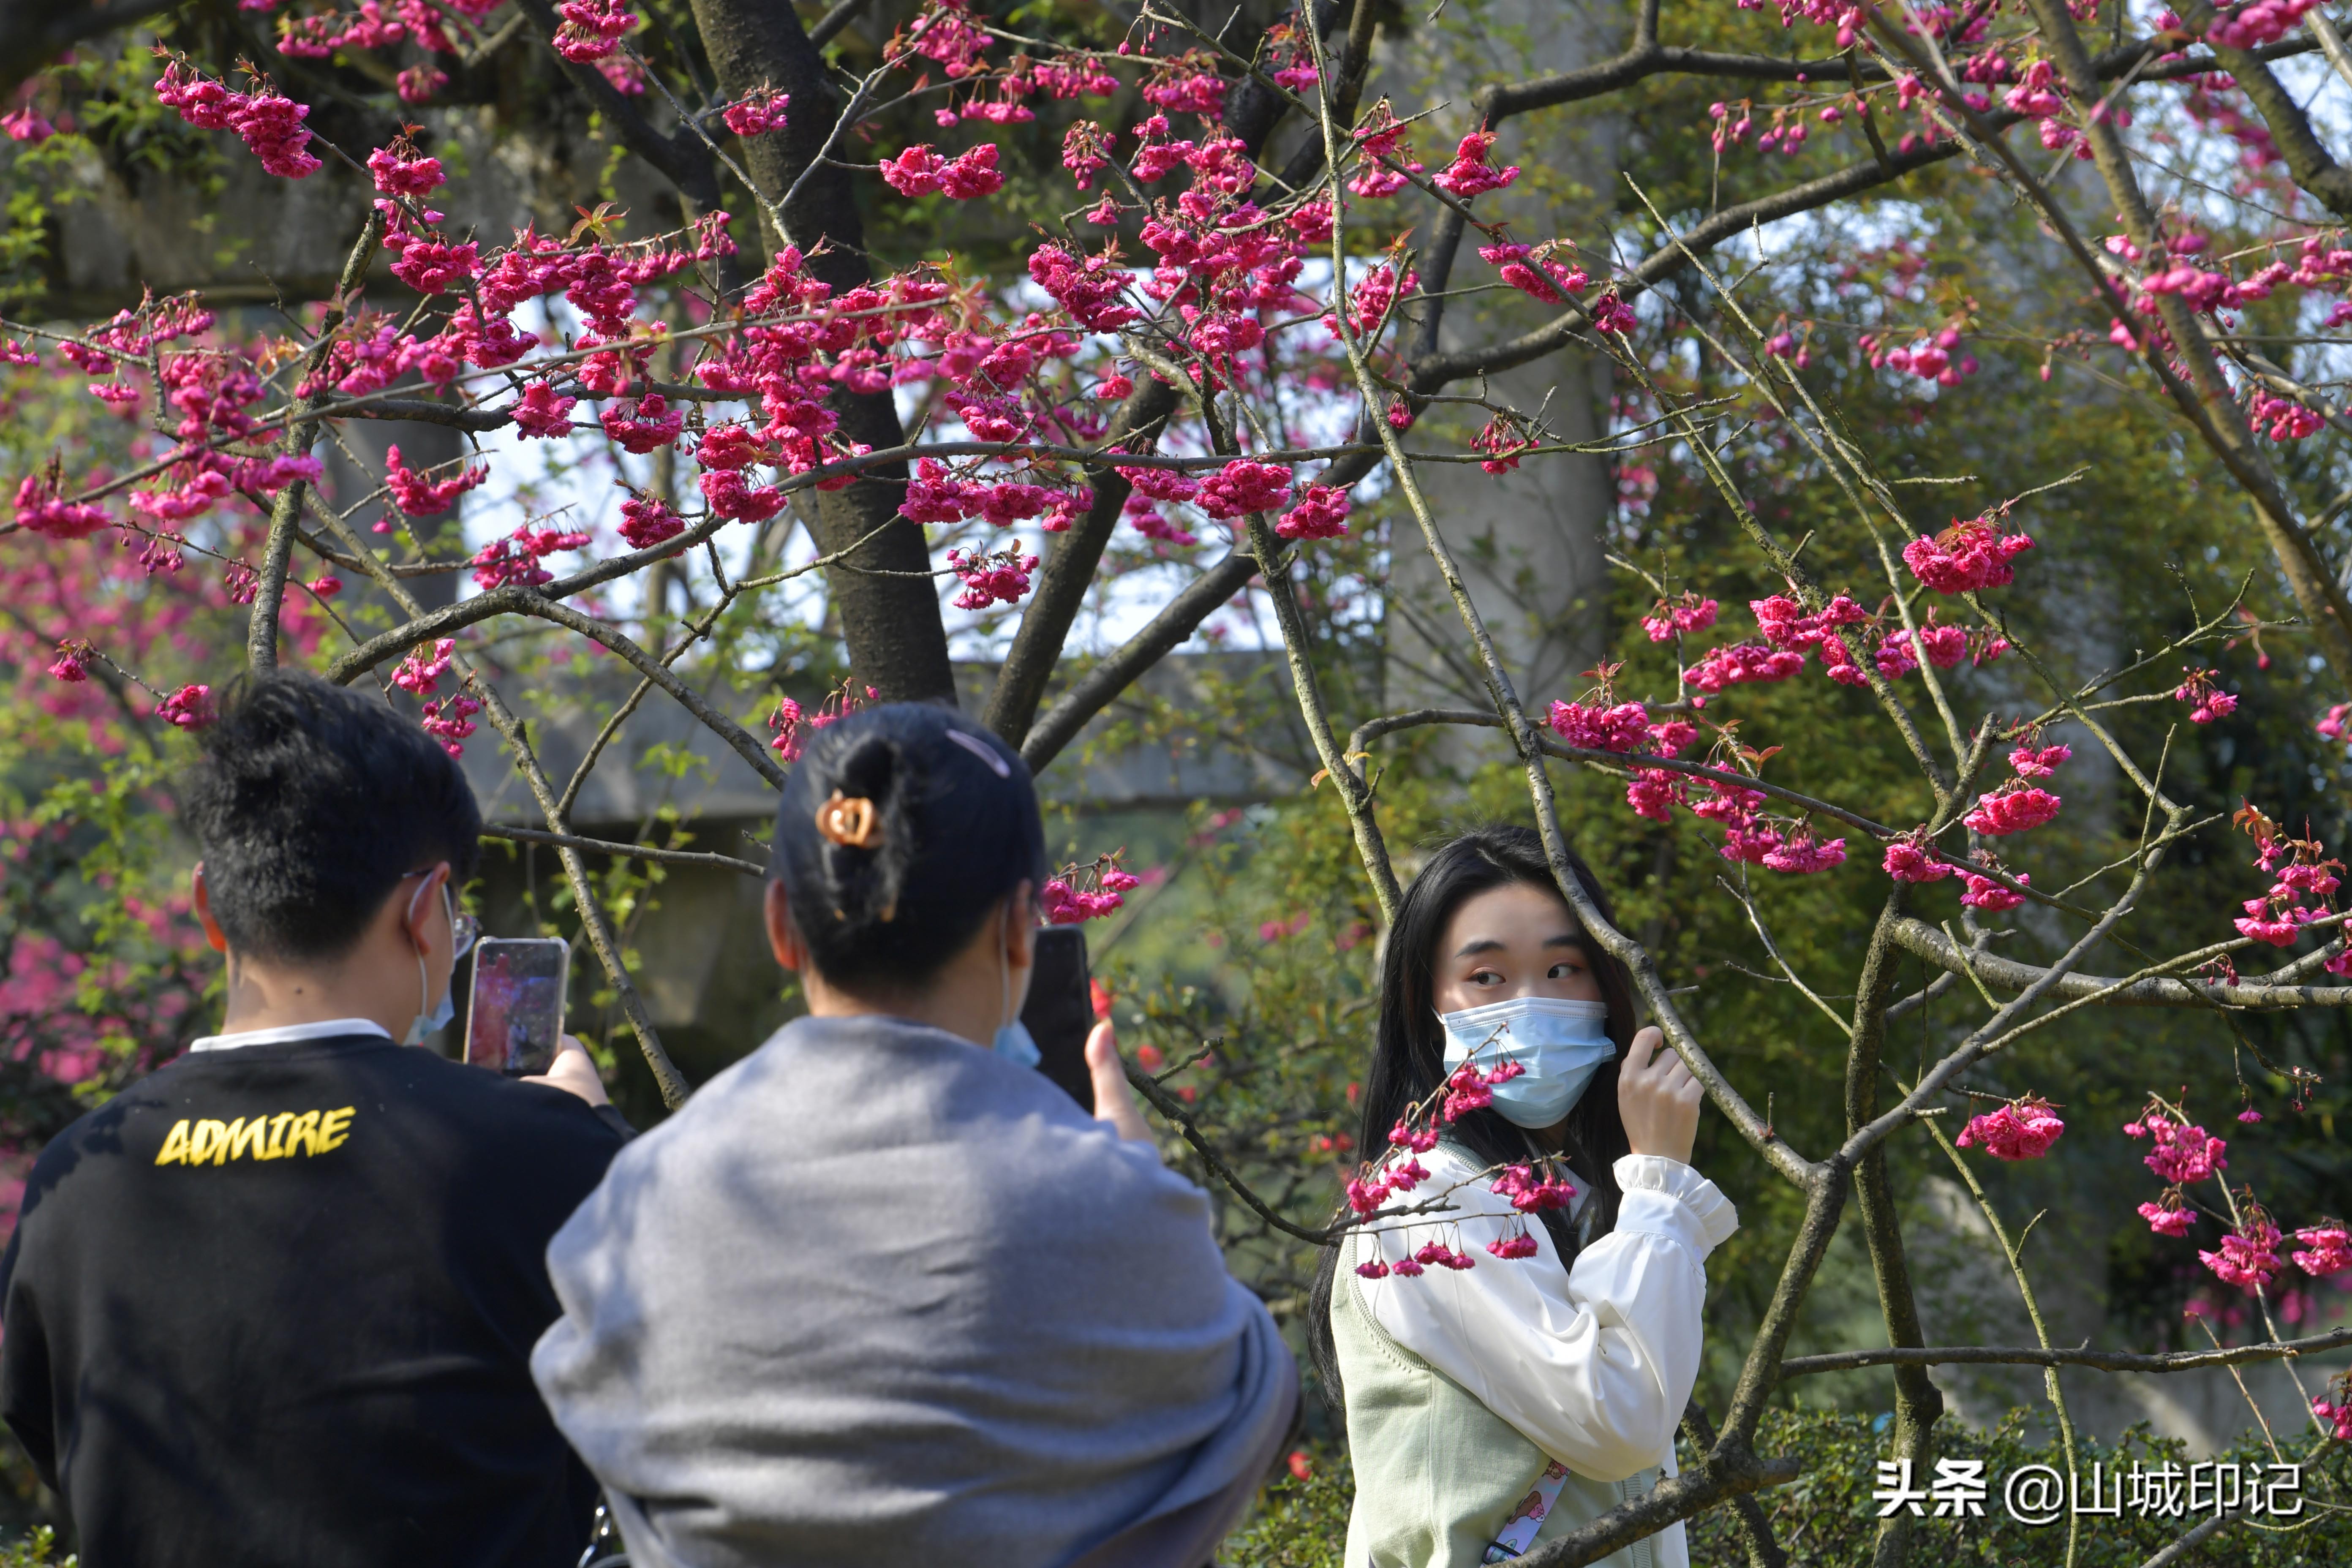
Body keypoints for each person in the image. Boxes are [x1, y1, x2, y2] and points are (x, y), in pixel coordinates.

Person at [532, 702, 1298, 1567]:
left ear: (781, 923)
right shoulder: (1112, 1203)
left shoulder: (641, 1201)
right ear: (1020, 927)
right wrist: (1147, 1193)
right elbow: (1249, 1402)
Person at [0, 672, 630, 1568]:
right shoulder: (540, 1151)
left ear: (209, 906)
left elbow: (53, 1435)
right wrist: (596, 1141)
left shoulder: (72, 1186)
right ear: (428, 910)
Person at [1307, 826, 1736, 1568]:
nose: (1533, 1004)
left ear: (1606, 986)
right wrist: (1659, 1183)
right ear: (1424, 1004)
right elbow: (1621, 1424)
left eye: (1564, 968)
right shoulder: (1429, 1200)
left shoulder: (1572, 1195)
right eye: (1488, 978)